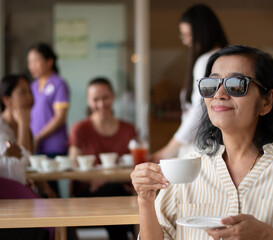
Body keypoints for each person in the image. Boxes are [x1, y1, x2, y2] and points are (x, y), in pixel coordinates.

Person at [131, 45, 273, 239]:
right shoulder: (188, 168)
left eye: (236, 84)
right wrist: (145, 201)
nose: (220, 93)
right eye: (211, 84)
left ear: (267, 100)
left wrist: (266, 235)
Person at [150, 4, 228, 162]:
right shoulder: (226, 58)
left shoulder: (206, 61)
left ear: (202, 33)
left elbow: (199, 110)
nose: (185, 41)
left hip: (201, 147)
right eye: (183, 36)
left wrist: (169, 149)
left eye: (188, 35)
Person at [69, 77, 136, 240]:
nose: (101, 104)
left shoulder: (128, 129)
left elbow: (136, 167)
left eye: (105, 97)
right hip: (88, 194)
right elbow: (73, 167)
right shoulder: (80, 129)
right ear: (88, 101)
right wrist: (104, 179)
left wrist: (105, 179)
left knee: (115, 195)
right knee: (113, 196)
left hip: (120, 193)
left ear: (113, 96)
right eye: (95, 99)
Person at [27, 43, 70, 157]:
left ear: (49, 62)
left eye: (36, 61)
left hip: (54, 146)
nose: (32, 66)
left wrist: (39, 136)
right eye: (30, 62)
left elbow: (60, 117)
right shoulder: (33, 86)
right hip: (35, 145)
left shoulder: (58, 83)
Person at [0, 74, 32, 185]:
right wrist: (23, 124)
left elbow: (30, 165)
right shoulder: (1, 129)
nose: (29, 97)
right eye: (23, 92)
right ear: (7, 100)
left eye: (29, 92)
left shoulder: (22, 124)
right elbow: (21, 160)